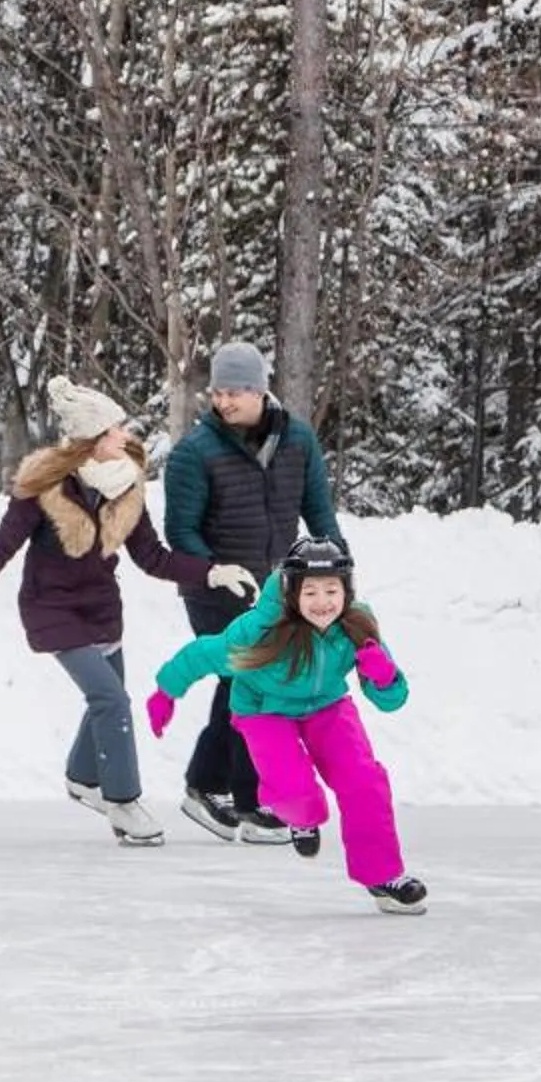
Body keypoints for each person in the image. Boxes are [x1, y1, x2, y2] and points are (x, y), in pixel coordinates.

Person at [0, 373, 259, 845]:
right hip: (52, 610)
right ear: (91, 440)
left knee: (106, 698)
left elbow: (153, 557)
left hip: (103, 611)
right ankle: (123, 802)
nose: (125, 437)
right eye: (114, 430)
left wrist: (212, 572)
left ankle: (82, 777)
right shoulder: (44, 487)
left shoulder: (126, 485)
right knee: (112, 701)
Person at [145, 535, 425, 913]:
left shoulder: (356, 625)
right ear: (293, 593)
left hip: (327, 708)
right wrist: (166, 692)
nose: (322, 602)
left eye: (332, 591)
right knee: (296, 793)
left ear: (346, 590)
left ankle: (384, 876)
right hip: (263, 710)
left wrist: (384, 677)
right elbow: (202, 654)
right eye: (310, 592)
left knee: (363, 780)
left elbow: (391, 700)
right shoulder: (259, 629)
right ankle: (302, 819)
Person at [162, 341, 343, 843]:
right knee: (250, 677)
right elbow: (181, 531)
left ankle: (212, 786)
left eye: (235, 391)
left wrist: (338, 571)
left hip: (273, 586)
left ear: (261, 390)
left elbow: (319, 512)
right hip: (213, 588)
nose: (224, 401)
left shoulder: (297, 441)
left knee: (247, 680)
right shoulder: (194, 453)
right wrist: (216, 571)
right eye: (218, 391)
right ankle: (246, 797)